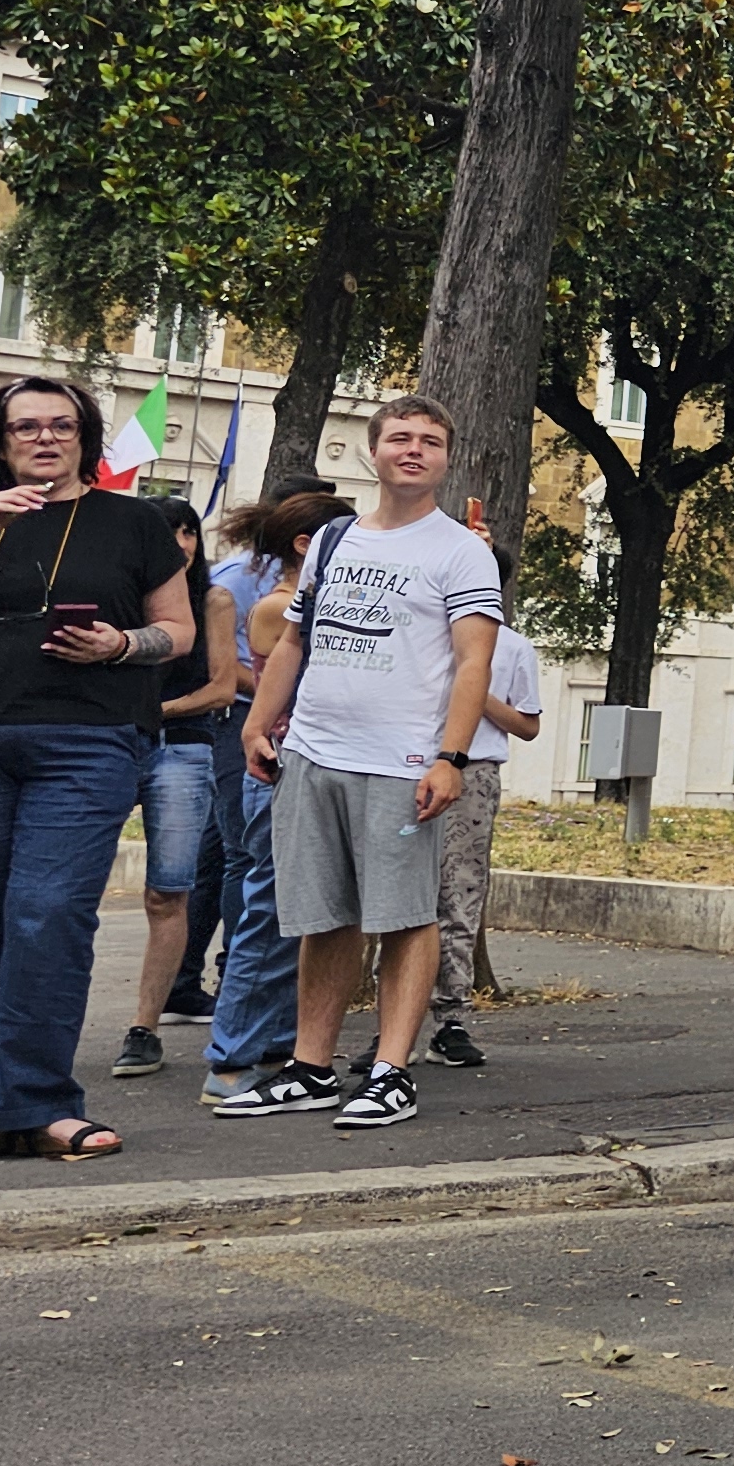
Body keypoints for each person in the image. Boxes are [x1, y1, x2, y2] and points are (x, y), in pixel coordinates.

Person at [0, 376, 199, 1167]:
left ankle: (44, 1102)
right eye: (26, 429)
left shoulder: (135, 523)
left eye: (60, 425)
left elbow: (178, 634)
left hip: (86, 741)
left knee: (47, 914)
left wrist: (120, 646)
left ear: (84, 435)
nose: (44, 439)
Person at [219, 397, 500, 1130]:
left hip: (402, 763)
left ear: (445, 458)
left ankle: (391, 1072)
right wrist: (256, 725)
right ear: (372, 452)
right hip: (313, 753)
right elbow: (293, 642)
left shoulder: (459, 550)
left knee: (406, 918)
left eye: (430, 441)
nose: (414, 450)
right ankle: (311, 1068)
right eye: (400, 438)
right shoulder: (336, 540)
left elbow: (475, 662)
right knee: (325, 916)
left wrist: (450, 757)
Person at [198, 483, 347, 1104]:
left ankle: (280, 1042)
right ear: (307, 547)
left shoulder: (307, 601)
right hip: (281, 766)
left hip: (312, 764)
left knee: (301, 915)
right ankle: (231, 1054)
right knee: (267, 913)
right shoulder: (279, 607)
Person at [106, 500, 238, 1081]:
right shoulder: (119, 597)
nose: (182, 541)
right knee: (71, 886)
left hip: (182, 746)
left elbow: (223, 687)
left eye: (189, 530)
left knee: (169, 890)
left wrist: (160, 709)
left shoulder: (213, 599)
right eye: (169, 531)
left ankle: (145, 1027)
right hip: (108, 743)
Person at [421, 550, 544, 1068]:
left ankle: (451, 1018)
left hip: (474, 774)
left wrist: (475, 690)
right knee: (399, 895)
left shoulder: (513, 648)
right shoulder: (420, 639)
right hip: (408, 766)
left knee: (460, 892)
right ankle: (389, 1024)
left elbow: (528, 724)